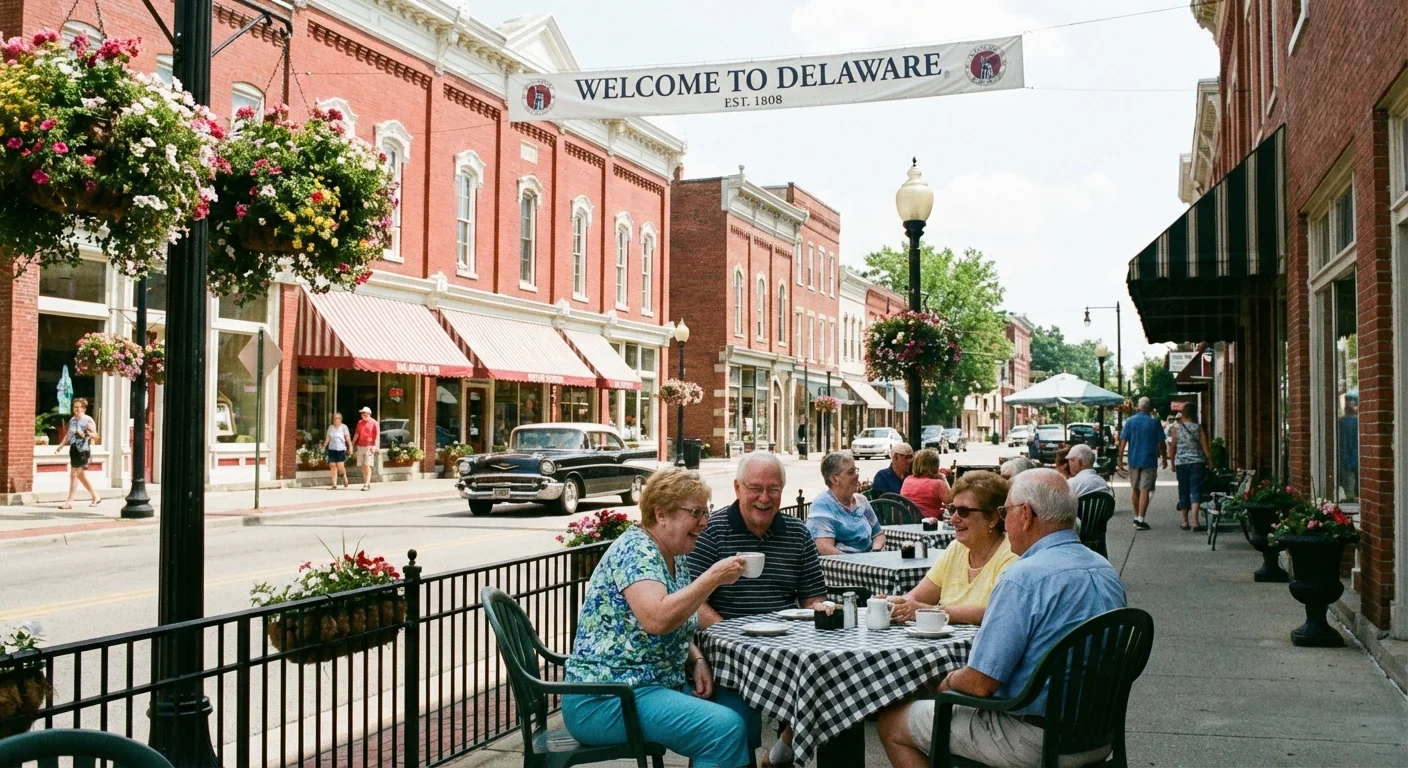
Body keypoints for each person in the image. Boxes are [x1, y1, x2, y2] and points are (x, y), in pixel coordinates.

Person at [877, 469, 1128, 767]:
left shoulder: (1023, 578)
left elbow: (982, 683)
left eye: (1005, 511)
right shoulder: (1105, 570)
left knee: (891, 721)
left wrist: (945, 682)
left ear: (1026, 515)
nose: (1005, 522)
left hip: (1034, 738)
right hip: (1097, 734)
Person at [562, 468, 752, 767]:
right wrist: (713, 578)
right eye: (696, 512)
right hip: (605, 699)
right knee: (723, 728)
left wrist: (696, 658)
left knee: (741, 709)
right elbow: (658, 618)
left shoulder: (673, 552)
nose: (704, 521)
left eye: (707, 511)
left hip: (641, 689)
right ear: (661, 514)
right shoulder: (637, 551)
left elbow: (675, 616)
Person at [688, 452, 827, 766]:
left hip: (786, 646)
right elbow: (693, 601)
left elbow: (812, 598)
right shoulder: (713, 531)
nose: (765, 498)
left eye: (773, 489)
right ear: (737, 488)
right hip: (727, 655)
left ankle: (777, 758)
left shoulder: (798, 533)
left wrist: (822, 611)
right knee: (737, 722)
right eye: (755, 488)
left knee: (828, 690)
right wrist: (731, 635)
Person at [887, 471, 1017, 626]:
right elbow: (917, 597)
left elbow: (995, 612)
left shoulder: (1011, 554)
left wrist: (932, 612)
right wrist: (894, 603)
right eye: (951, 510)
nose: (954, 519)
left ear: (993, 519)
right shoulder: (956, 548)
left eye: (963, 511)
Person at [807, 452, 886, 554]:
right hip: (843, 566)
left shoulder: (861, 501)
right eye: (850, 472)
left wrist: (875, 551)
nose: (856, 475)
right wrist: (857, 565)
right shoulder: (822, 505)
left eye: (856, 470)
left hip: (869, 562)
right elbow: (824, 548)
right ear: (834, 479)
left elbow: (878, 534)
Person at [1117, 397, 1166, 531]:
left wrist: (1120, 459)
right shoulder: (1154, 423)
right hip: (1149, 459)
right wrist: (1165, 458)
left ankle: (1136, 516)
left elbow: (1123, 442)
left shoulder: (1130, 422)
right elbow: (1161, 442)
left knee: (1135, 489)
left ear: (1138, 407)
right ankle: (1141, 518)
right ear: (1150, 408)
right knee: (1145, 489)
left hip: (1134, 459)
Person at [1169, 405, 1213, 531]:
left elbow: (1172, 448)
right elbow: (1205, 447)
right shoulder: (1198, 428)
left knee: (1183, 490)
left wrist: (1172, 463)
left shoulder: (1175, 429)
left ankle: (1184, 521)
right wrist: (1210, 461)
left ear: (1183, 414)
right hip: (1197, 462)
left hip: (1181, 463)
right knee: (1195, 490)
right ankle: (1195, 521)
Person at [55, 397, 100, 509]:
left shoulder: (88, 420)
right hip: (74, 449)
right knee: (81, 476)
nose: (77, 409)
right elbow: (68, 435)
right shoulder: (72, 420)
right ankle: (95, 496)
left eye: (79, 407)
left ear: (84, 408)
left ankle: (69, 502)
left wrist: (85, 434)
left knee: (74, 474)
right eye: (75, 407)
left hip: (83, 451)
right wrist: (60, 446)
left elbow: (96, 436)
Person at [900, 448, 953, 519]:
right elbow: (950, 502)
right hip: (928, 523)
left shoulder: (907, 479)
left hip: (907, 521)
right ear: (935, 466)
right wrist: (944, 478)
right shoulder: (938, 484)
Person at [1338, 393, 1359, 501]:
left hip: (1345, 457)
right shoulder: (1357, 422)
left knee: (1348, 484)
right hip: (1356, 457)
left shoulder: (1341, 422)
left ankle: (1349, 499)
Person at [354, 406, 380, 491]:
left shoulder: (374, 423)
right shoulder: (360, 422)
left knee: (368, 465)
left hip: (370, 446)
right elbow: (357, 434)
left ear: (368, 414)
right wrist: (352, 443)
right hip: (361, 445)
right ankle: (366, 482)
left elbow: (377, 436)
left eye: (364, 413)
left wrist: (375, 446)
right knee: (362, 465)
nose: (362, 415)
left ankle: (366, 483)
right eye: (362, 413)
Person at [323, 412, 352, 489]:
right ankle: (334, 484)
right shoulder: (330, 427)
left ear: (341, 419)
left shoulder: (344, 427)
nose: (336, 420)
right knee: (332, 465)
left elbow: (348, 438)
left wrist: (350, 447)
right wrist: (324, 446)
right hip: (332, 449)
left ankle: (344, 476)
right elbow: (328, 438)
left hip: (340, 449)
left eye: (338, 418)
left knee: (340, 466)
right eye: (335, 418)